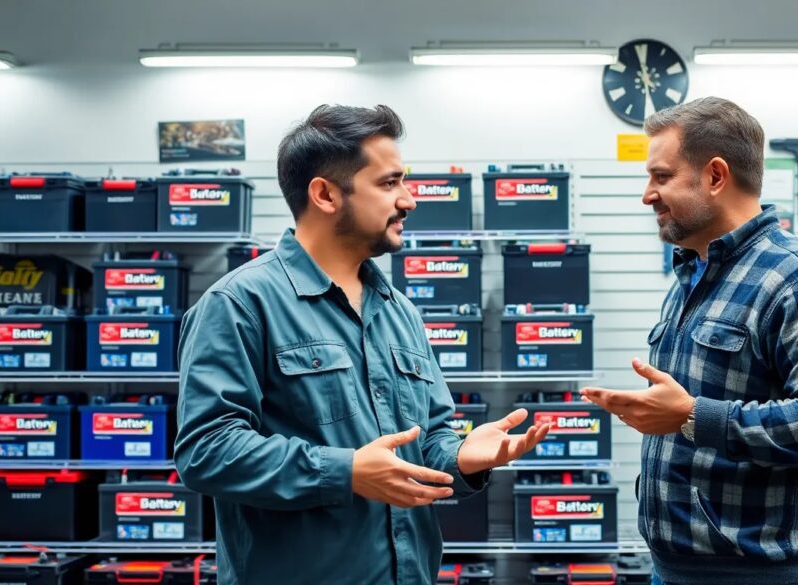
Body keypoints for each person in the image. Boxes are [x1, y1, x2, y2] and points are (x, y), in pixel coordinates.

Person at [174, 104, 550, 585]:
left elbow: (427, 440)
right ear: (326, 194)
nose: (409, 200)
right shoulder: (239, 304)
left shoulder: (400, 311)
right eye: (389, 183)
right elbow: (207, 451)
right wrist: (345, 470)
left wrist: (461, 458)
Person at [581, 97, 798, 585]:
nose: (648, 195)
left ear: (715, 176)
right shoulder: (693, 276)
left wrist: (694, 417)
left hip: (763, 577)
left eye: (661, 176)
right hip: (674, 569)